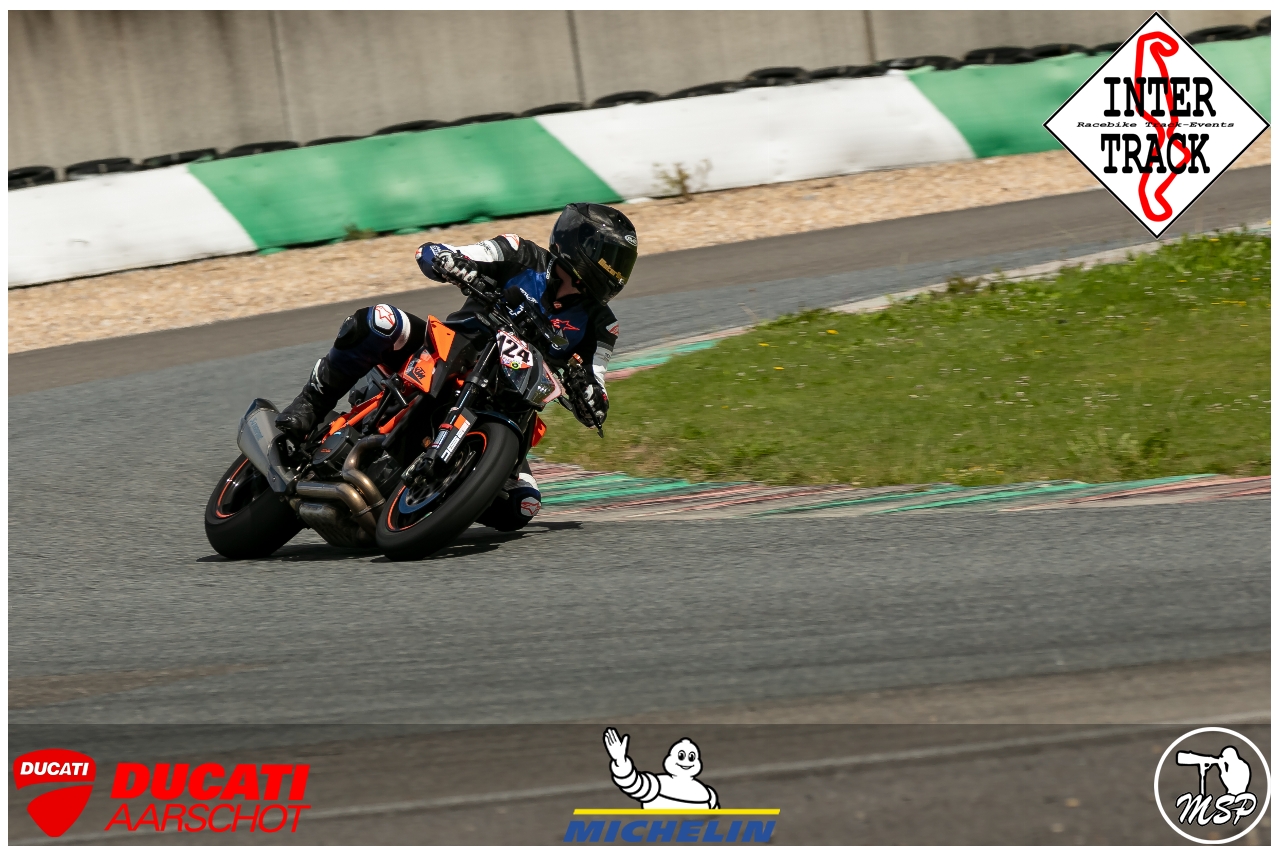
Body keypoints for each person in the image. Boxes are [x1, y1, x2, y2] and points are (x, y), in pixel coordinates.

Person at [274, 202, 638, 532]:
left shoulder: (602, 325)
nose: (616, 270)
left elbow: (598, 390)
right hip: (449, 350)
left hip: (510, 403)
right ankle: (311, 403)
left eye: (623, 262)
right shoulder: (518, 252)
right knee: (380, 320)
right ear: (578, 242)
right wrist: (451, 261)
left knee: (522, 505)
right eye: (611, 257)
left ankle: (442, 498)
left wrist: (590, 396)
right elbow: (437, 252)